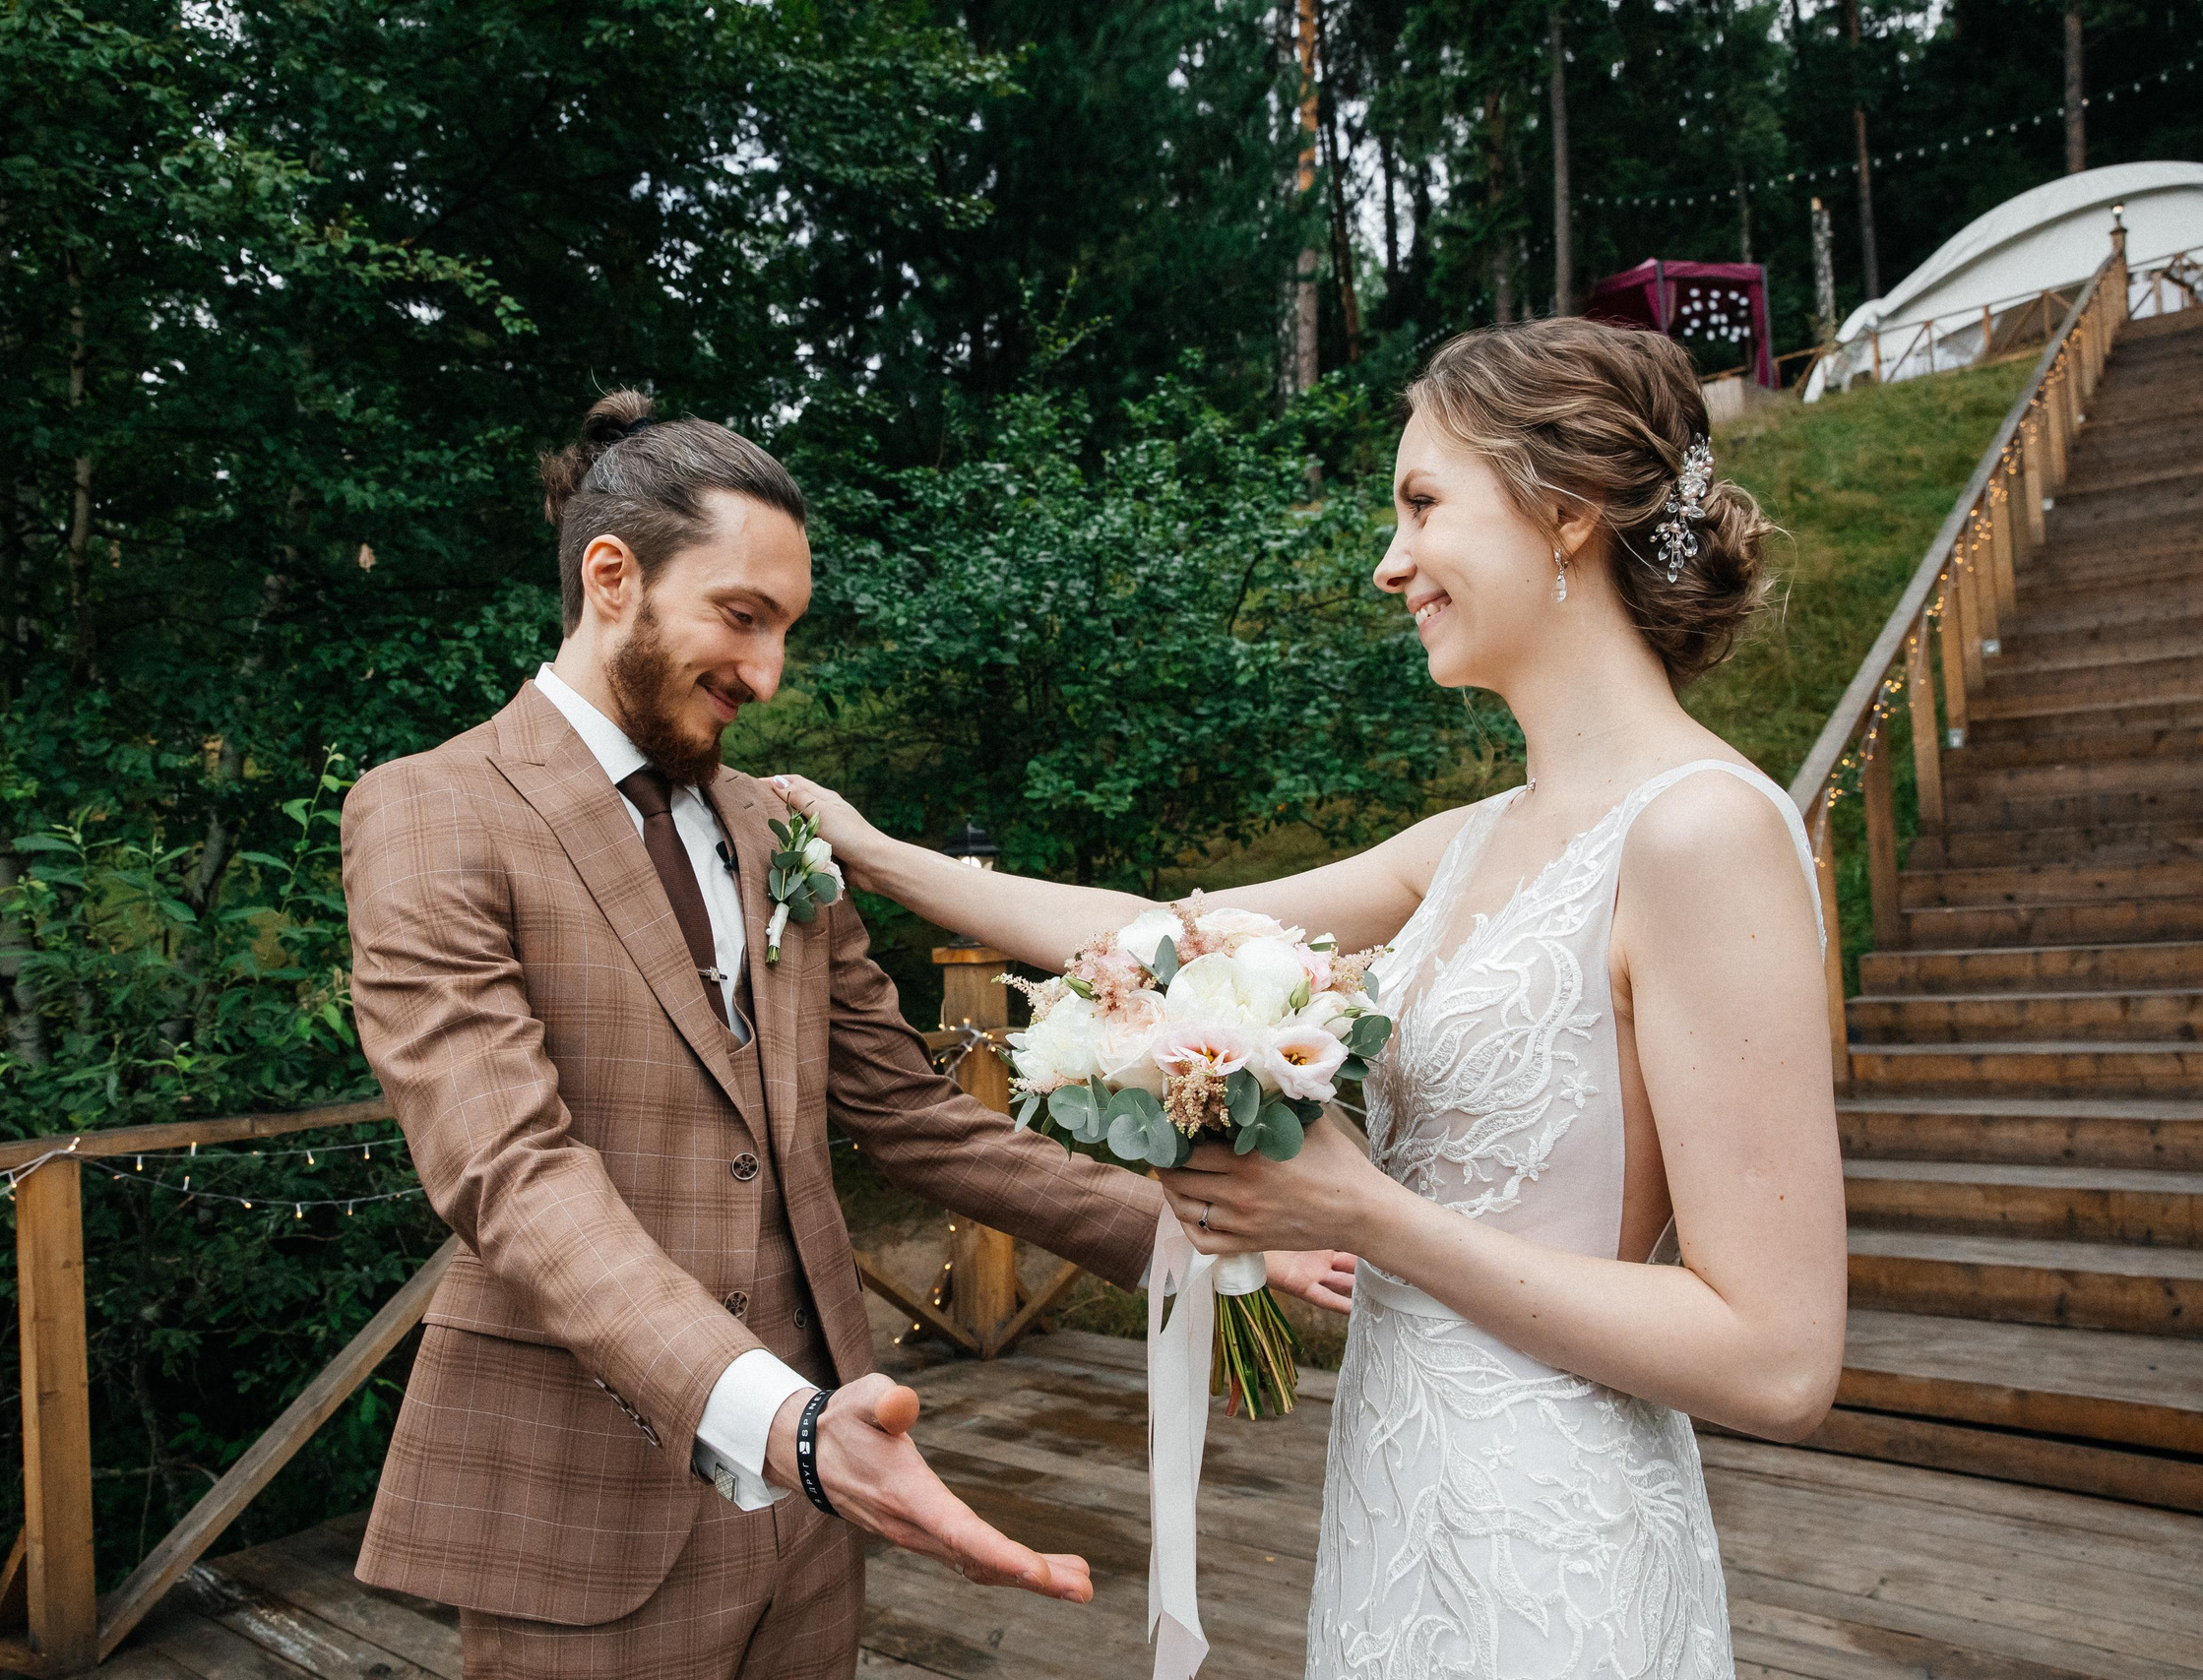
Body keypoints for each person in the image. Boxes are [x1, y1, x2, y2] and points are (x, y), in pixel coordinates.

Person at [774, 318, 1848, 1679]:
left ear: (1566, 512)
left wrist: (1369, 1217)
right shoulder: (1475, 839)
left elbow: (1777, 1357)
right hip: (1403, 1486)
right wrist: (871, 850)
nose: (1390, 561)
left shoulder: (1702, 833)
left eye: (1421, 503)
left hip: (1553, 1540)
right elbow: (1162, 934)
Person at [341, 390, 1343, 1680]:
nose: (768, 675)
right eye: (742, 618)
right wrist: (784, 1423)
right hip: (590, 1500)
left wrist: (1192, 1243)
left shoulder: (777, 831)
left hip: (823, 1508)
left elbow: (908, 1114)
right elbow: (509, 1171)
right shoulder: (431, 813)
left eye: (786, 632)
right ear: (611, 578)